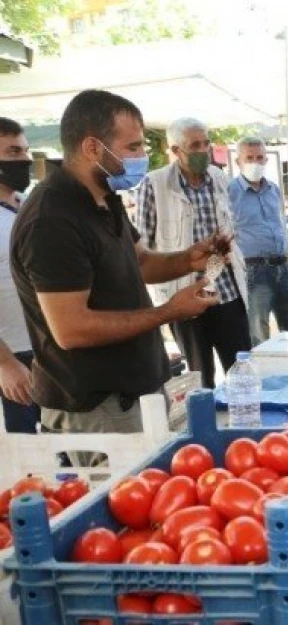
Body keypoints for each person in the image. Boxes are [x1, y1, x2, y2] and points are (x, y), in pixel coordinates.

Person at [9, 90, 220, 453]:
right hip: (97, 409)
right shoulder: (52, 219)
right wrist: (168, 312)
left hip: (138, 393)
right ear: (93, 148)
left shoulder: (105, 197)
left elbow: (140, 262)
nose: (143, 157)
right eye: (133, 147)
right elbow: (71, 329)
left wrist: (189, 259)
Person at [135, 117, 251, 388]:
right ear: (175, 150)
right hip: (185, 295)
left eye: (206, 144)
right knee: (200, 378)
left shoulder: (219, 178)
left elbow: (229, 222)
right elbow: (144, 246)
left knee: (242, 370)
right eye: (194, 145)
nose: (203, 151)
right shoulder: (155, 184)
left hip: (226, 291)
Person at [228, 136, 288, 346]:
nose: (255, 162)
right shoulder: (230, 192)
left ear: (266, 160)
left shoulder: (273, 190)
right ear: (239, 162)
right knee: (258, 332)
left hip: (282, 266)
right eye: (249, 158)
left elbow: (279, 222)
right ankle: (263, 376)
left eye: (260, 157)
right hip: (254, 269)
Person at [0, 117, 39, 434]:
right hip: (12, 356)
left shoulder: (26, 205)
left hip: (46, 349)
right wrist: (5, 364)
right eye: (13, 152)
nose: (24, 160)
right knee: (27, 457)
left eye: (25, 151)